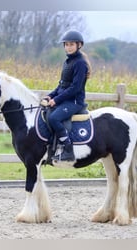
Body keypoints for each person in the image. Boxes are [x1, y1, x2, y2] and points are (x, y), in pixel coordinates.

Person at [43, 30, 92, 162]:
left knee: (54, 118)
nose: (68, 47)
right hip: (65, 99)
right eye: (66, 44)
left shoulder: (80, 63)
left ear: (79, 45)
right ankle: (52, 148)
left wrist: (56, 100)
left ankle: (68, 150)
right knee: (46, 113)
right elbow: (62, 85)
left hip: (74, 101)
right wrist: (50, 96)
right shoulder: (67, 62)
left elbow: (75, 88)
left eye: (71, 45)